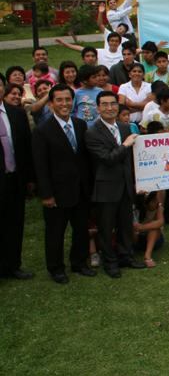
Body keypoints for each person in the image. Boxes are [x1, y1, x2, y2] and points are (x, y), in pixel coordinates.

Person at [32, 84, 95, 283]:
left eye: (68, 99)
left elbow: (84, 158)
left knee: (80, 230)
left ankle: (78, 263)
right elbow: (40, 166)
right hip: (57, 193)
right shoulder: (43, 131)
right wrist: (46, 194)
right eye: (59, 100)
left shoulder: (80, 124)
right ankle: (56, 268)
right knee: (55, 233)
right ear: (51, 104)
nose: (64, 104)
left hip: (80, 190)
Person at [84, 91, 144, 278]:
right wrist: (125, 145)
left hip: (126, 186)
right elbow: (108, 159)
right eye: (105, 104)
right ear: (98, 108)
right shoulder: (92, 132)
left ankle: (126, 256)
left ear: (117, 106)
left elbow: (133, 160)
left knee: (126, 224)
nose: (109, 108)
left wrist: (138, 181)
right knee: (106, 227)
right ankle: (110, 262)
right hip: (106, 187)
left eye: (113, 104)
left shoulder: (125, 127)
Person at [0, 73, 34, 280]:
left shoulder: (16, 113)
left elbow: (26, 147)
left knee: (15, 223)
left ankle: (13, 265)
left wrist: (30, 178)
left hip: (15, 177)